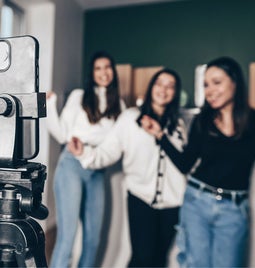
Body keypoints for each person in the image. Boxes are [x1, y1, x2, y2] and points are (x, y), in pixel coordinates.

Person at [141, 56, 255, 267]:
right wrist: (160, 136)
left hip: (234, 210)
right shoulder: (202, 122)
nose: (210, 90)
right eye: (206, 85)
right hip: (197, 203)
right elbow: (185, 164)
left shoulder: (252, 122)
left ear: (235, 82)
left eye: (217, 82)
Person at [68, 68, 187, 267]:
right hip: (140, 199)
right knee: (142, 257)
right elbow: (108, 152)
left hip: (172, 204)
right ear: (151, 88)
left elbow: (184, 162)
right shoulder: (130, 119)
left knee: (159, 258)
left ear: (175, 93)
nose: (163, 90)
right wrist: (84, 153)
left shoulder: (178, 125)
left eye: (170, 86)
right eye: (159, 83)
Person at [46, 51, 125, 267]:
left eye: (107, 67)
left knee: (93, 239)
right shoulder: (79, 96)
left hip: (97, 171)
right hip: (72, 164)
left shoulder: (120, 106)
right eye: (98, 68)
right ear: (92, 73)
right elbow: (62, 134)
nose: (103, 72)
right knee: (68, 236)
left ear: (113, 71)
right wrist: (51, 106)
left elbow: (116, 146)